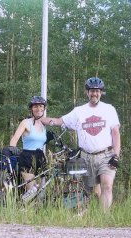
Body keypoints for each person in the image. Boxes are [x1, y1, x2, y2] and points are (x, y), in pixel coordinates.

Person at [41, 77, 120, 212]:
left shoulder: (109, 109)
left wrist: (116, 155)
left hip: (106, 155)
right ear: (87, 92)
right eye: (91, 91)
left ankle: (102, 217)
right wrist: (41, 119)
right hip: (86, 156)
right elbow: (60, 121)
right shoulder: (79, 111)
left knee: (107, 186)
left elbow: (115, 133)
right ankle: (88, 217)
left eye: (97, 91)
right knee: (89, 191)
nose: (94, 94)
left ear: (101, 92)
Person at [7, 96, 48, 201]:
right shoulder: (26, 122)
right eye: (35, 106)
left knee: (42, 192)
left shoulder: (43, 126)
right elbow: (14, 138)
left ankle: (35, 214)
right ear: (31, 109)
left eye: (41, 106)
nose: (38, 109)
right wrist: (12, 148)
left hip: (41, 158)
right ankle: (21, 207)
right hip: (27, 157)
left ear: (44, 108)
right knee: (32, 192)